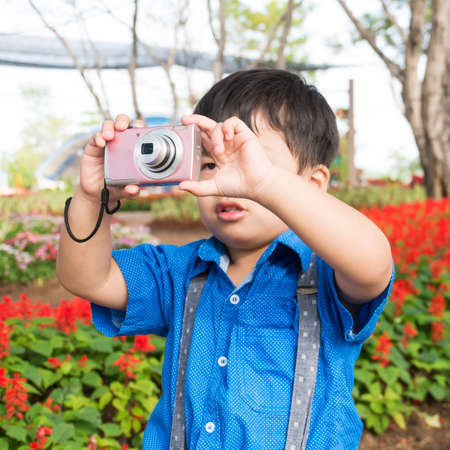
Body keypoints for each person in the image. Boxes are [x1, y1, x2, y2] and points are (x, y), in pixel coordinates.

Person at [57, 68, 395, 449]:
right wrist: (89, 197)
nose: (230, 178)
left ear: (313, 185)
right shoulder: (180, 272)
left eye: (250, 161)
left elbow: (374, 263)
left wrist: (266, 184)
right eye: (210, 163)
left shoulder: (325, 273)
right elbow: (87, 278)